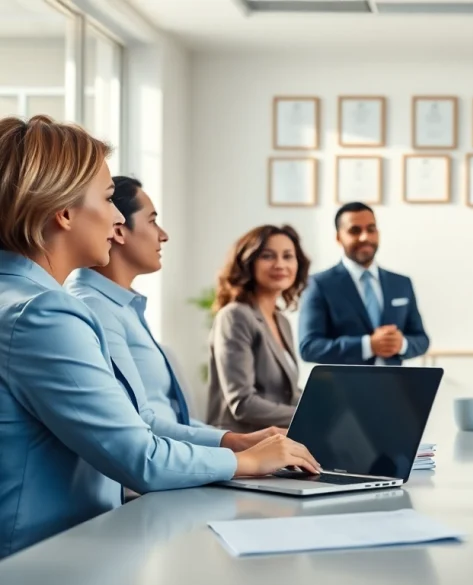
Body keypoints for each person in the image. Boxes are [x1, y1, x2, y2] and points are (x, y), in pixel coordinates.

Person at [0, 116, 320, 559]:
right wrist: (245, 461)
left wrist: (231, 443)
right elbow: (139, 455)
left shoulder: (18, 295)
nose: (116, 219)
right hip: (46, 558)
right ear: (65, 212)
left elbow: (131, 427)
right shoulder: (44, 312)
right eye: (109, 199)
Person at [65, 177, 282, 449]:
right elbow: (140, 423)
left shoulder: (125, 307)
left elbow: (172, 417)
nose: (163, 235)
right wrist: (236, 444)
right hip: (145, 476)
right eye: (153, 220)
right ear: (118, 229)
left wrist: (243, 441)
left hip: (172, 456)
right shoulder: (96, 308)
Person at [298, 202, 429, 365]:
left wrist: (401, 344)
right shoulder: (319, 284)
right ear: (339, 237)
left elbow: (421, 339)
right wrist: (368, 345)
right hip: (344, 389)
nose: (365, 237)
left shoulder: (401, 283)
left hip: (395, 386)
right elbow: (309, 347)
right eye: (355, 230)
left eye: (371, 229)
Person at [207, 225, 310, 433]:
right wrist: (309, 414)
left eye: (288, 256)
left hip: (276, 438)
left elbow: (286, 394)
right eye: (268, 256)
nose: (280, 264)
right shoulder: (235, 316)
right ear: (248, 262)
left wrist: (324, 406)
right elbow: (242, 403)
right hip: (240, 443)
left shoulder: (281, 320)